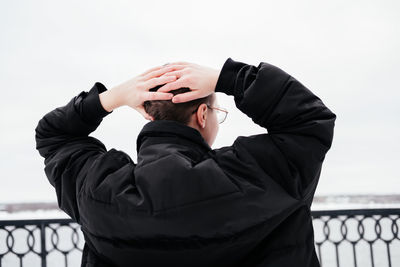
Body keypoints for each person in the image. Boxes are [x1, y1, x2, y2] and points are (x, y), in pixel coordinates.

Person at [35, 57, 336, 267]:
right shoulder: (257, 174)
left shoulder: (98, 190)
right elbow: (309, 122)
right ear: (203, 115)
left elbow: (54, 134)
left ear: (149, 115)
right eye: (217, 113)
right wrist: (227, 77)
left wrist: (112, 98)